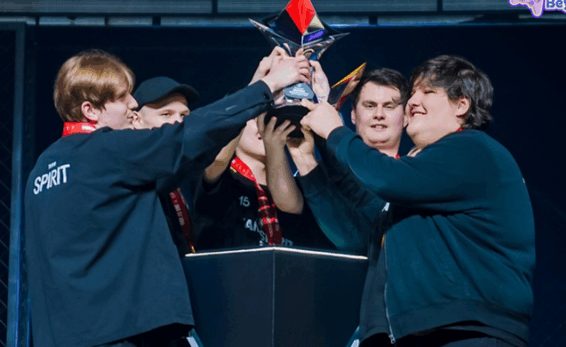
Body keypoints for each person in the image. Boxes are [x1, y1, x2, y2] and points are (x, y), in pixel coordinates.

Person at [24, 48, 309, 347]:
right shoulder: (106, 150)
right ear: (90, 110)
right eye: (121, 97)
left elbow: (182, 166)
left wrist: (251, 88)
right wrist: (266, 87)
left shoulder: (42, 170)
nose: (132, 104)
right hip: (117, 334)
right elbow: (192, 135)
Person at [299, 55, 535, 346]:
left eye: (428, 92)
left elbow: (385, 178)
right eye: (413, 93)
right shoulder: (428, 174)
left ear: (461, 106)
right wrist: (323, 114)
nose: (412, 101)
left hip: (468, 331)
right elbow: (364, 198)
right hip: (428, 330)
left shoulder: (472, 149)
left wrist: (335, 132)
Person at [194, 51, 335, 250]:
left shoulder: (294, 185)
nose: (262, 123)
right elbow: (217, 158)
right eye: (254, 117)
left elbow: (291, 206)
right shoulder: (220, 176)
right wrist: (261, 82)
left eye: (269, 116)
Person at [287, 68, 411, 254]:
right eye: (370, 105)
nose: (379, 114)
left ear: (406, 116)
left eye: (389, 106)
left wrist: (326, 126)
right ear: (353, 114)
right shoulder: (314, 173)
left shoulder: (413, 180)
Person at [131, 76, 201, 256]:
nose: (178, 122)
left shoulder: (184, 170)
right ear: (136, 120)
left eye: (184, 115)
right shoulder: (130, 172)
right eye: (166, 114)